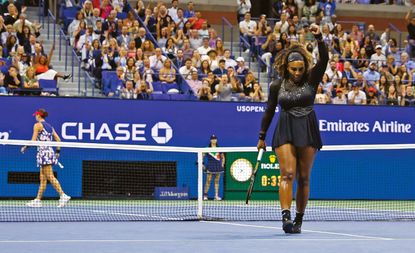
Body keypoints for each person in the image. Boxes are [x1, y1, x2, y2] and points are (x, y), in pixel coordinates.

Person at [257, 24, 328, 234]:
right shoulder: (276, 86)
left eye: (300, 69)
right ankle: (286, 217)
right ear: (286, 68)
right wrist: (262, 136)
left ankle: (299, 219)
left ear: (305, 66)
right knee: (287, 173)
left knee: (304, 178)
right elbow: (269, 111)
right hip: (285, 127)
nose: (297, 73)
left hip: (307, 126)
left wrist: (319, 38)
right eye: (293, 69)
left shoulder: (312, 79)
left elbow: (323, 60)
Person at [20, 109, 71, 208]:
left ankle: (63, 195)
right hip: (49, 152)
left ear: (39, 116)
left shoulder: (37, 125)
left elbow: (33, 140)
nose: (35, 117)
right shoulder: (50, 127)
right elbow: (58, 140)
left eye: (36, 115)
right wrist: (57, 152)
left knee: (50, 176)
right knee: (43, 179)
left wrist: (25, 147)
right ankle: (38, 200)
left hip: (43, 153)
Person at [203, 135, 225, 201]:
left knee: (216, 181)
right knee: (208, 181)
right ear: (210, 140)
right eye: (212, 139)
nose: (214, 140)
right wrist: (202, 164)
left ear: (216, 140)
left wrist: (222, 165)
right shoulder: (207, 149)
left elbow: (223, 157)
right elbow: (202, 155)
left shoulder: (219, 149)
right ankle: (205, 195)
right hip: (210, 166)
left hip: (217, 166)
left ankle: (216, 196)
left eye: (215, 139)